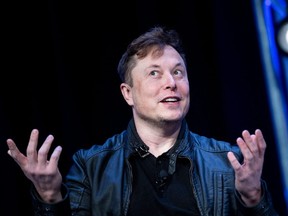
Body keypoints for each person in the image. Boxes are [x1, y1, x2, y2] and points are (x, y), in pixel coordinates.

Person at [6, 26, 279, 216]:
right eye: (154, 73)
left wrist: (253, 197)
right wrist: (50, 197)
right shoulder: (91, 166)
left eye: (178, 72)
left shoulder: (228, 161)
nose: (171, 83)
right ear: (128, 94)